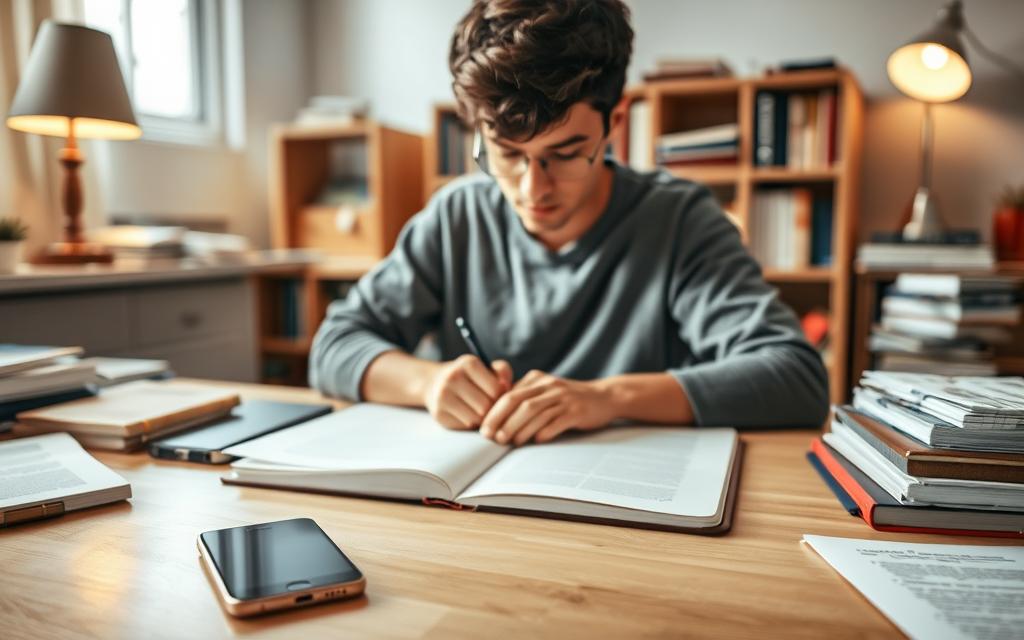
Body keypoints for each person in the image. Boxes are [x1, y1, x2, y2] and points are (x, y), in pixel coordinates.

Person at [310, 0, 829, 445]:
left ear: (614, 125)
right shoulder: (457, 216)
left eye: (566, 152)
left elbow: (796, 378)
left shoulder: (678, 220)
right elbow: (334, 346)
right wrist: (426, 383)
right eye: (507, 154)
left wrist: (607, 397)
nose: (533, 189)